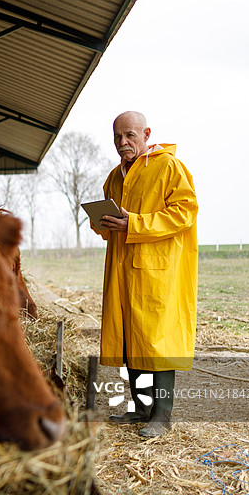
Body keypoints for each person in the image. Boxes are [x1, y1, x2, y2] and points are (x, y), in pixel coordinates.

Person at [92, 111, 198, 438]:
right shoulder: (114, 177)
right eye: (117, 137)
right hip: (123, 270)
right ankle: (140, 407)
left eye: (130, 135)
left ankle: (162, 416)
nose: (123, 142)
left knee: (158, 343)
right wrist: (102, 222)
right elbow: (109, 227)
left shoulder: (168, 167)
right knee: (131, 340)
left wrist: (134, 223)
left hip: (158, 272)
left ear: (147, 133)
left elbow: (185, 212)